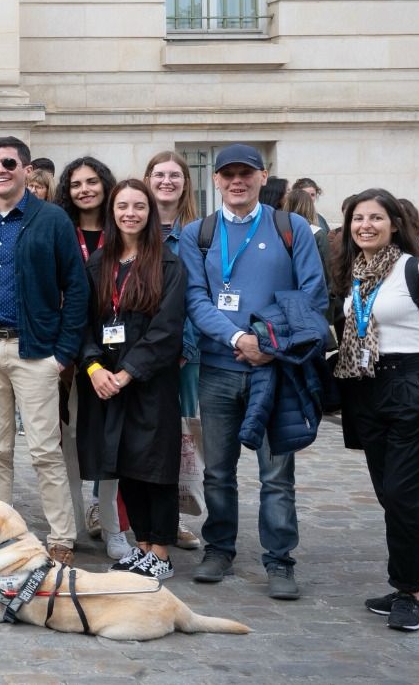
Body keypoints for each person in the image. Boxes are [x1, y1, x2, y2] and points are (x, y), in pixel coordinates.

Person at [180, 143, 328, 599]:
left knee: (276, 474)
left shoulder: (291, 227)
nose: (237, 181)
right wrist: (237, 339)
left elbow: (312, 296)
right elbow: (195, 299)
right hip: (220, 369)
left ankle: (280, 559)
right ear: (217, 181)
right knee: (218, 471)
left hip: (276, 371)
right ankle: (219, 548)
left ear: (264, 177)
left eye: (247, 173)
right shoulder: (198, 233)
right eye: (228, 175)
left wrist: (267, 346)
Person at [0, 136, 87, 565]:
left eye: (9, 162)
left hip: (35, 354)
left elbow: (77, 288)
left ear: (27, 170)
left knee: (46, 450)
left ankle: (62, 537)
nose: (0, 169)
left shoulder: (51, 220)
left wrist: (62, 353)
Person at [332, 189, 419, 630]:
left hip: (410, 384)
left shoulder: (418, 269)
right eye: (357, 218)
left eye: (375, 217)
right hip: (367, 389)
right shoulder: (356, 275)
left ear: (394, 224)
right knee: (394, 498)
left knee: (406, 499)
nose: (364, 225)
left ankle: (406, 591)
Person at [78, 180, 188, 580]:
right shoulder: (99, 264)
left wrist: (126, 374)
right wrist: (94, 367)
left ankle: (161, 551)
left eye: (139, 206)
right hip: (105, 382)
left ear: (150, 212)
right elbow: (83, 322)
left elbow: (167, 329)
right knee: (125, 463)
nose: (130, 213)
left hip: (149, 383)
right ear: (112, 211)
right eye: (122, 206)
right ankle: (141, 545)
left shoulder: (169, 265)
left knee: (154, 466)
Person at [54, 155, 117, 556]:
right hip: (67, 354)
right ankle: (73, 524)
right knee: (67, 442)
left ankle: (112, 526)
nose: (85, 190)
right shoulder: (60, 231)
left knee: (112, 443)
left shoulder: (124, 230)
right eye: (77, 184)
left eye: (92, 182)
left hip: (114, 350)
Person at [144, 151, 203, 552]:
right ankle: (118, 512)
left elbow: (202, 295)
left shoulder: (198, 234)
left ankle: (176, 516)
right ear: (147, 180)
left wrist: (186, 346)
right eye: (159, 174)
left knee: (181, 435)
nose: (167, 181)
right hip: (139, 349)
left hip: (184, 354)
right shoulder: (134, 226)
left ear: (185, 183)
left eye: (174, 175)